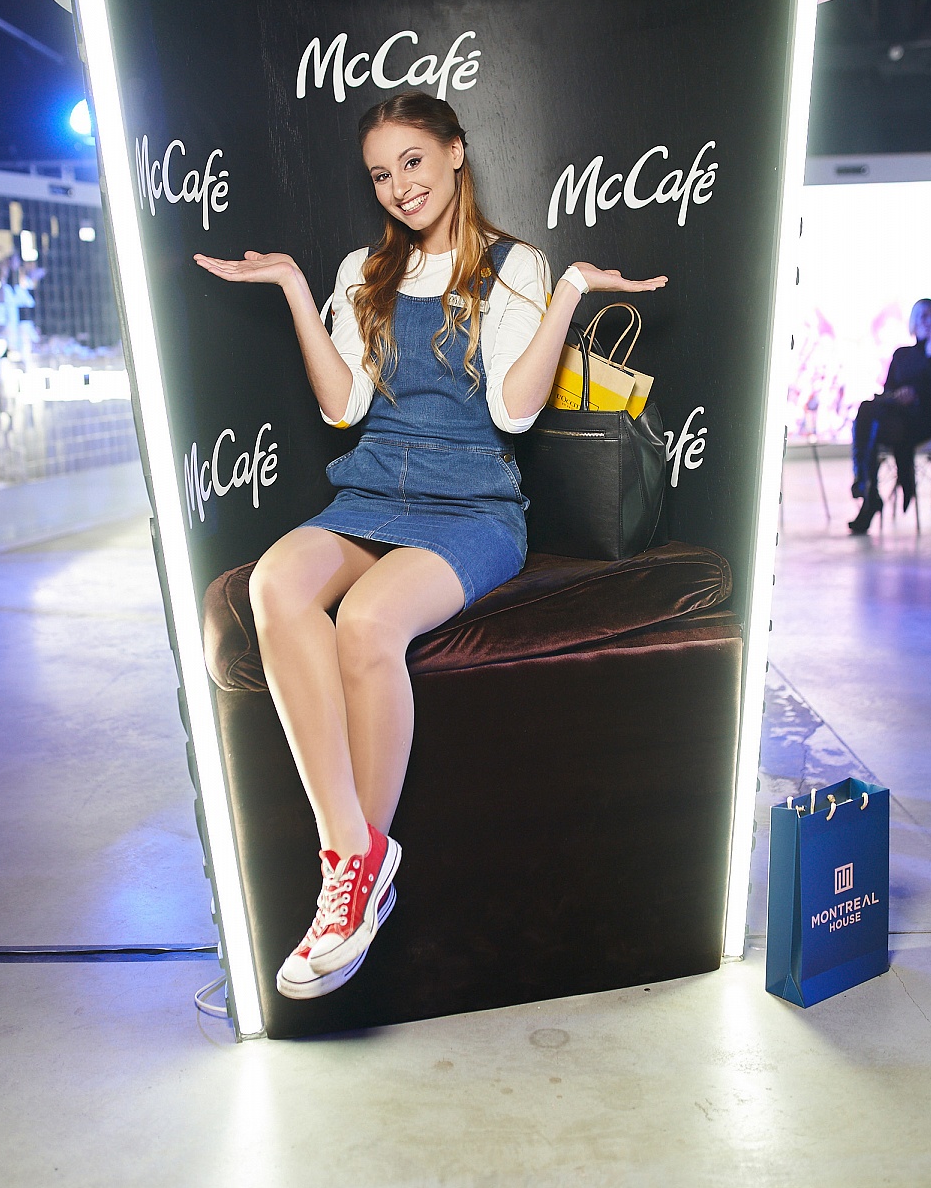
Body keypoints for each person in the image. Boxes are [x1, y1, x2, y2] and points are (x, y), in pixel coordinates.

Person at [195, 90, 667, 1000]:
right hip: (373, 488)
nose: (399, 186)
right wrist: (294, 287)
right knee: (276, 583)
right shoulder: (362, 271)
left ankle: (347, 891)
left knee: (369, 622)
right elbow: (343, 408)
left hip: (473, 505)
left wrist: (568, 292)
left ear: (455, 152)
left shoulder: (517, 266)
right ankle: (355, 858)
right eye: (381, 173)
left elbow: (514, 412)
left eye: (413, 160)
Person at [849, 297, 931, 534]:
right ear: (914, 321)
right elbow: (887, 390)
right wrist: (899, 395)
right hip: (899, 418)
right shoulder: (902, 354)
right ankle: (868, 488)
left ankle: (867, 492)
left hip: (928, 420)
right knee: (868, 409)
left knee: (874, 425)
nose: (930, 321)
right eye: (924, 316)